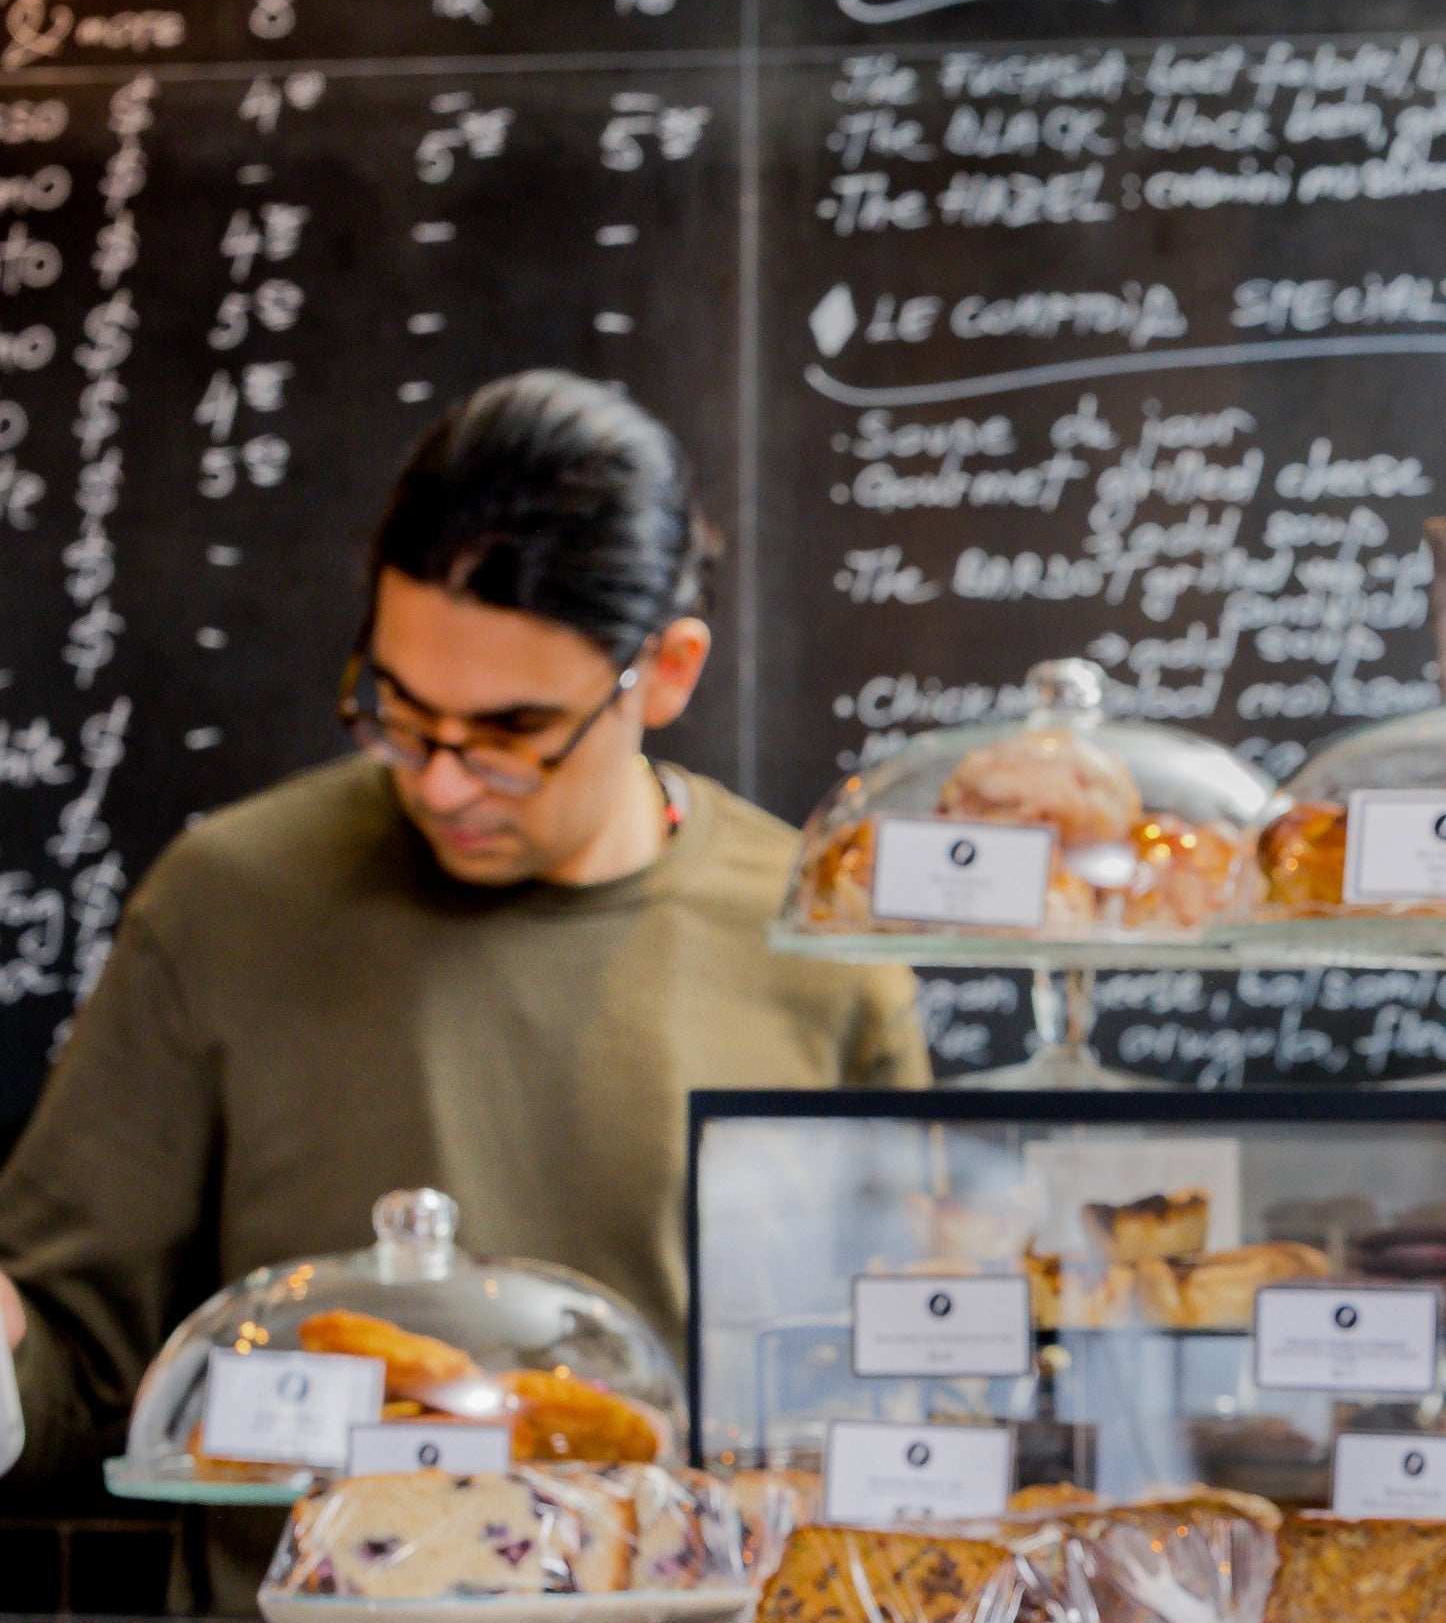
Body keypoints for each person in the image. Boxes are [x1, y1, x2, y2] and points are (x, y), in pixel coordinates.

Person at [0, 369, 924, 1520]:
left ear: (667, 672)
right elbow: (75, 1390)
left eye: (511, 734)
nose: (441, 782)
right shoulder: (226, 902)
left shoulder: (821, 948)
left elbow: (899, 1399)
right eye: (399, 711)